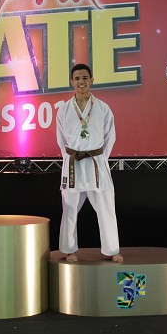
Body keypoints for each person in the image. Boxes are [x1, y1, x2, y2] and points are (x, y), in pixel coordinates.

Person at [56, 63, 123, 263]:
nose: (81, 82)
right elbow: (61, 140)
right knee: (69, 208)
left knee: (106, 206)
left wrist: (100, 158)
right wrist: (70, 158)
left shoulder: (103, 108)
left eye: (85, 78)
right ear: (72, 81)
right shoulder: (64, 110)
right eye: (77, 78)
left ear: (91, 80)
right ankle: (69, 250)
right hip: (73, 163)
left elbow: (110, 137)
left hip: (96, 162)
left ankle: (112, 249)